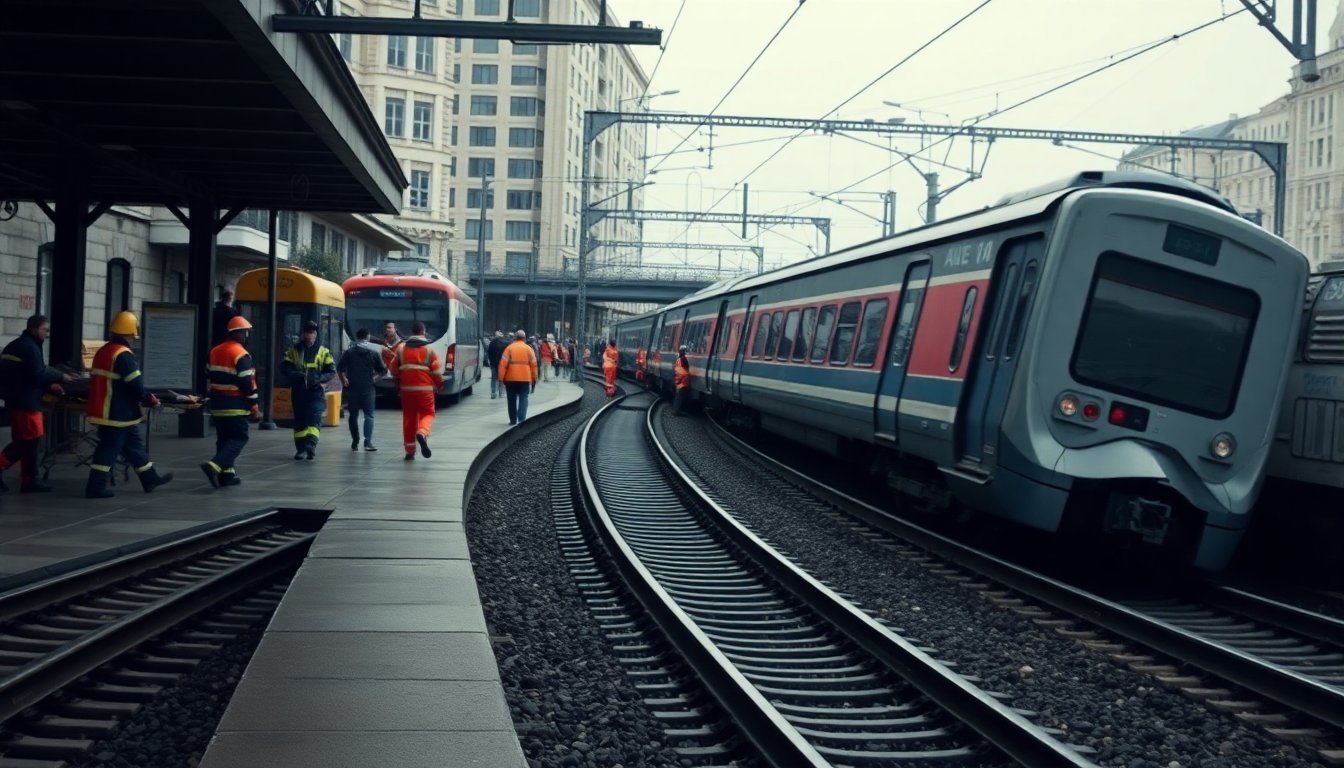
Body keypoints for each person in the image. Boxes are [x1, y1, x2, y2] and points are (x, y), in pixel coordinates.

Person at [84, 311, 174, 499]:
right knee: (108, 449)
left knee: (134, 446)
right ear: (130, 333)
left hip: (111, 410)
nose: (134, 339)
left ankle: (149, 479)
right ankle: (96, 487)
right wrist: (150, 400)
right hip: (117, 412)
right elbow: (135, 385)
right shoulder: (123, 355)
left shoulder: (104, 351)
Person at [0, 314, 72, 493]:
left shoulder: (17, 345)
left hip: (15, 400)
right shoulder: (29, 347)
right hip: (27, 402)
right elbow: (38, 374)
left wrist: (49, 385)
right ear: (34, 329)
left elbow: (28, 374)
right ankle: (26, 478)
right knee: (29, 441)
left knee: (24, 440)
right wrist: (61, 377)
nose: (47, 334)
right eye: (44, 330)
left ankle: (29, 479)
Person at [201, 315, 261, 487]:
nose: (247, 336)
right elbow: (246, 383)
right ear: (240, 333)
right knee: (239, 437)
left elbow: (207, 373)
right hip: (235, 405)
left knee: (224, 440)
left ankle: (227, 476)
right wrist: (254, 405)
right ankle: (215, 466)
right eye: (246, 333)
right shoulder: (241, 355)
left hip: (217, 404)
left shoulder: (214, 351)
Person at [280, 320, 336, 460]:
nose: (309, 335)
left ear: (316, 334)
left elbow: (331, 371)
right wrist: (293, 374)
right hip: (299, 391)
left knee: (314, 418)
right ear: (303, 334)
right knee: (300, 421)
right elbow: (284, 367)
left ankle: (310, 445)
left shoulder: (323, 351)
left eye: (311, 332)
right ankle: (300, 450)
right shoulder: (293, 350)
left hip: (315, 391)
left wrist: (321, 379)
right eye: (307, 332)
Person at [388, 321, 442, 461]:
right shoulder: (429, 351)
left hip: (406, 391)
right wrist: (439, 385)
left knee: (409, 419)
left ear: (412, 332)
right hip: (425, 390)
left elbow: (393, 369)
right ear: (423, 332)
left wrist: (400, 378)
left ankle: (410, 451)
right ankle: (422, 433)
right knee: (428, 413)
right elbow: (437, 373)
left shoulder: (401, 349)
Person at [338, 328, 387, 451]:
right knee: (369, 416)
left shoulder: (349, 353)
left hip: (352, 388)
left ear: (357, 337)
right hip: (368, 388)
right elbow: (382, 371)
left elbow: (340, 369)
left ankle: (355, 441)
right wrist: (374, 378)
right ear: (368, 337)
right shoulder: (373, 353)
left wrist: (344, 380)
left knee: (353, 415)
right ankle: (367, 442)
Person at [498, 329, 538, 426]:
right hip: (525, 378)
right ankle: (522, 420)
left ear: (515, 338)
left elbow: (503, 364)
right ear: (524, 338)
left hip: (510, 378)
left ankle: (513, 420)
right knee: (523, 398)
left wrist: (501, 378)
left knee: (511, 399)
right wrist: (534, 378)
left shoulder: (509, 348)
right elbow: (534, 365)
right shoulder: (529, 349)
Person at [486, 330, 507, 399]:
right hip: (501, 364)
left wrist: (491, 363)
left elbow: (489, 353)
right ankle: (501, 393)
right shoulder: (504, 343)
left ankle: (493, 393)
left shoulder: (491, 343)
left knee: (493, 379)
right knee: (501, 378)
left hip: (493, 364)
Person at [674, 345, 692, 416]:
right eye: (685, 351)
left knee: (678, 396)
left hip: (678, 380)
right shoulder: (683, 359)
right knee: (680, 397)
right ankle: (677, 411)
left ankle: (676, 410)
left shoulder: (678, 359)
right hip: (683, 381)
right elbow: (686, 370)